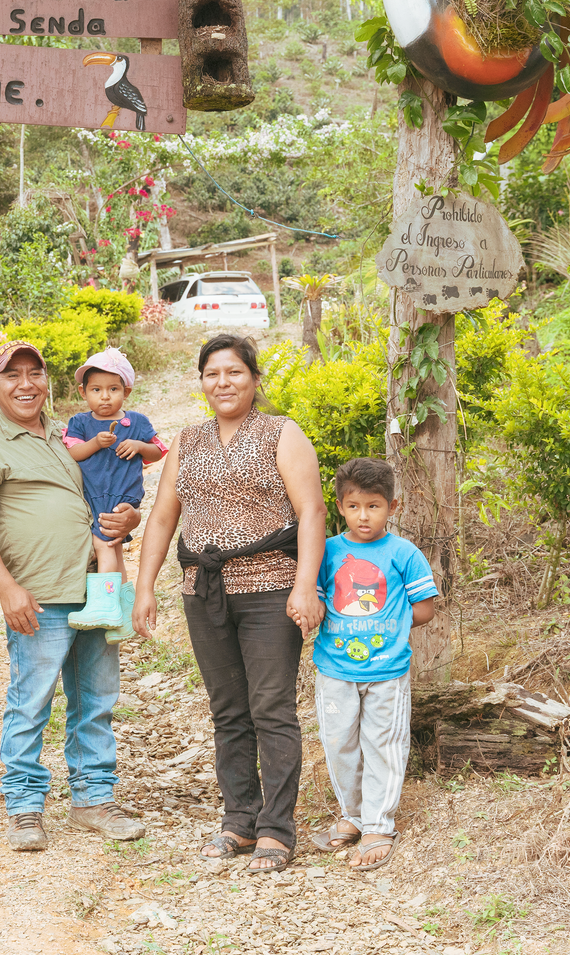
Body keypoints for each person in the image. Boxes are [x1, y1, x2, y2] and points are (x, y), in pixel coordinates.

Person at [133, 333, 327, 874]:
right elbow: (164, 517)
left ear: (254, 379)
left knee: (272, 708)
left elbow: (311, 512)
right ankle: (239, 820)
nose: (223, 382)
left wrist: (304, 584)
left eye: (234, 372)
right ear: (201, 382)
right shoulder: (188, 441)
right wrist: (144, 585)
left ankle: (277, 829)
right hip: (205, 592)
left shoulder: (281, 434)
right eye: (213, 373)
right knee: (229, 711)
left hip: (269, 589)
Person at [0, 339, 148, 851]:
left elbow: (106, 496)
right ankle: (23, 807)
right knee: (31, 702)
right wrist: (7, 589)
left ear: (47, 381)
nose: (25, 384)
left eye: (33, 373)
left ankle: (93, 798)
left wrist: (130, 518)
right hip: (38, 595)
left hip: (95, 587)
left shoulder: (68, 438)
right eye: (11, 376)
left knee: (96, 700)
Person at [309, 457, 437, 872]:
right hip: (335, 669)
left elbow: (425, 609)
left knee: (383, 745)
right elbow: (314, 599)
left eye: (374, 506)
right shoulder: (326, 552)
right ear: (340, 507)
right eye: (354, 506)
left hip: (387, 671)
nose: (363, 516)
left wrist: (387, 626)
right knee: (339, 743)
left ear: (392, 507)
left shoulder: (404, 553)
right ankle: (352, 815)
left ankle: (379, 824)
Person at [63, 347, 166, 639]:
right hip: (94, 496)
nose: (105, 396)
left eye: (113, 389)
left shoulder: (136, 422)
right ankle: (122, 611)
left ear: (126, 390)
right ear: (83, 392)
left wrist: (139, 447)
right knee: (116, 550)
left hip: (118, 497)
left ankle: (103, 605)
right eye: (96, 389)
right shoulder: (80, 424)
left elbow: (158, 450)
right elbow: (74, 453)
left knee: (104, 545)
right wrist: (96, 442)